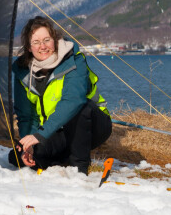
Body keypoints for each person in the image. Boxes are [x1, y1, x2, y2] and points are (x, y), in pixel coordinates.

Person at [9, 16, 112, 175]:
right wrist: (29, 146)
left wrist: (41, 135)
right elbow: (26, 116)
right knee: (17, 157)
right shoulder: (22, 71)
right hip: (56, 130)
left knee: (81, 108)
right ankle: (60, 159)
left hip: (93, 124)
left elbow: (74, 100)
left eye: (47, 40)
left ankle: (79, 169)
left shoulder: (73, 59)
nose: (43, 46)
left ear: (55, 40)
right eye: (36, 42)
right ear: (29, 47)